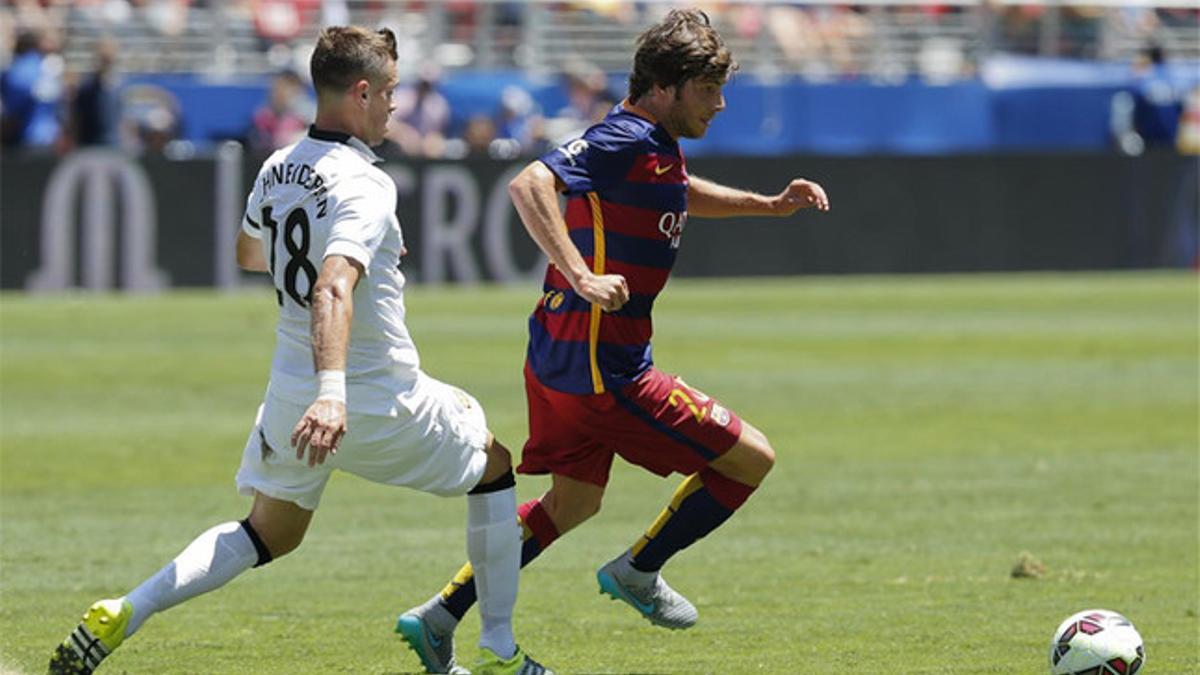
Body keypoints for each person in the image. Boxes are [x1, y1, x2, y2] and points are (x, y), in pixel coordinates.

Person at [48, 26, 550, 675]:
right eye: (390, 91)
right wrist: (334, 392)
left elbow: (249, 254)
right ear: (362, 91)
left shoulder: (279, 165)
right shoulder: (366, 184)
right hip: (367, 397)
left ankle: (127, 607)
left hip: (288, 393)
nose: (396, 105)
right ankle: (500, 652)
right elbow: (334, 285)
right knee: (495, 466)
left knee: (268, 531)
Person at [395, 9, 829, 674]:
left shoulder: (651, 143)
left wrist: (766, 204)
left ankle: (439, 615)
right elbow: (529, 181)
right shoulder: (626, 134)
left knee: (575, 500)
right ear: (668, 85)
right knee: (750, 459)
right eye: (709, 89)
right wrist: (582, 273)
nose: (719, 104)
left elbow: (679, 192)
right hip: (606, 367)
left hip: (559, 353)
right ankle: (637, 570)